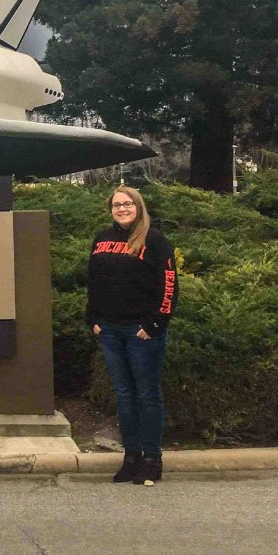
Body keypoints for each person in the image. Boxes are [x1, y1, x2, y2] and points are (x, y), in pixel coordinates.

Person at [87, 185, 178, 486]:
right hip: (110, 331)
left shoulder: (154, 240)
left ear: (138, 207)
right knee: (124, 395)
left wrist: (156, 323)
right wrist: (93, 318)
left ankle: (151, 459)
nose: (122, 209)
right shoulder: (102, 239)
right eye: (117, 205)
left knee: (147, 394)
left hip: (142, 333)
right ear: (110, 209)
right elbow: (93, 281)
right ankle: (131, 457)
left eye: (128, 204)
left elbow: (169, 284)